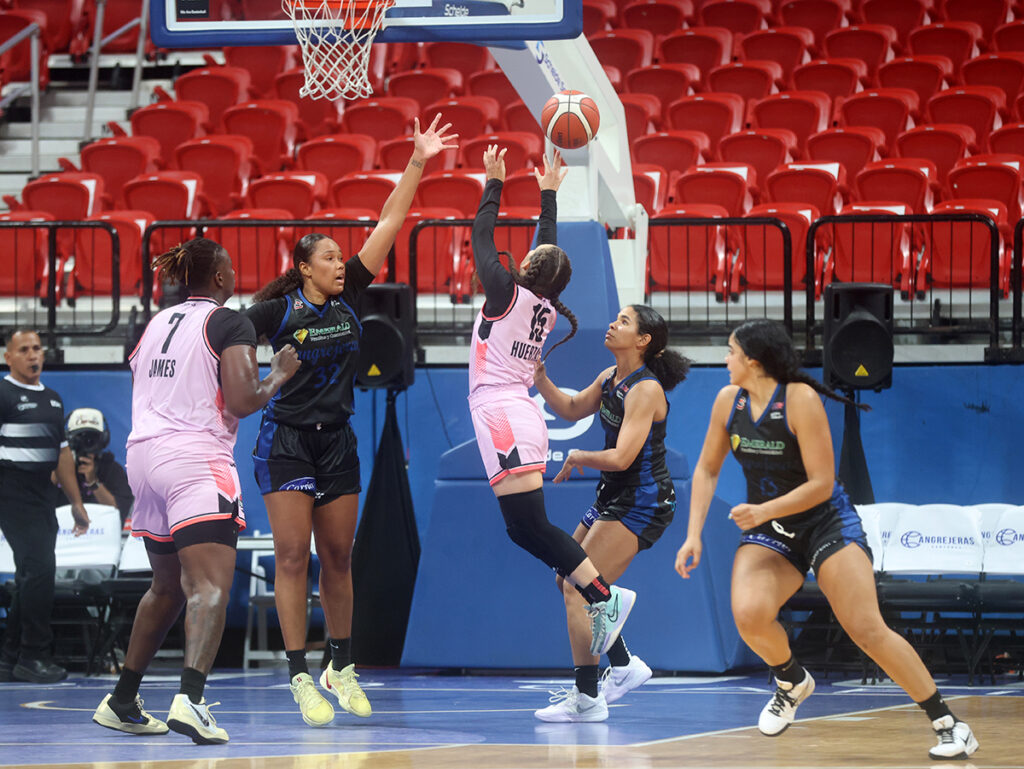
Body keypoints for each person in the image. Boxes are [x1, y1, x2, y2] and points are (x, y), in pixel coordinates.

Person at [674, 318, 979, 761]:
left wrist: (763, 511)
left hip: (825, 523)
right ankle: (791, 680)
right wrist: (693, 535)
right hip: (773, 529)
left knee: (866, 628)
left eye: (731, 352)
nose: (725, 360)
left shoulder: (799, 399)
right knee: (750, 615)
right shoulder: (728, 401)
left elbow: (820, 483)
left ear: (753, 362)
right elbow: (706, 469)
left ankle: (949, 724)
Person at [244, 114, 457, 728]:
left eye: (342, 256)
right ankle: (299, 676)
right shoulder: (273, 312)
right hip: (286, 441)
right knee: (293, 559)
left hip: (337, 441)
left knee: (339, 559)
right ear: (304, 268)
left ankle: (341, 666)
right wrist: (258, 379)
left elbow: (390, 222)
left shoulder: (351, 297)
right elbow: (221, 339)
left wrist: (418, 160)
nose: (342, 263)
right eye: (330, 257)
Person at [91, 237, 300, 744]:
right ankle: (191, 701)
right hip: (195, 459)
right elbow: (243, 400)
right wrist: (278, 374)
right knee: (208, 589)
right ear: (221, 277)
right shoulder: (229, 322)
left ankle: (121, 700)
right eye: (231, 268)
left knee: (166, 588)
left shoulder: (157, 322)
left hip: (144, 457)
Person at [468, 144, 636, 701]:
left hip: (503, 413)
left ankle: (604, 597)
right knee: (525, 527)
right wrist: (547, 194)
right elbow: (548, 250)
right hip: (518, 413)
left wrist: (494, 183)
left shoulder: (507, 291)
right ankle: (613, 635)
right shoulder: (538, 298)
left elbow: (482, 237)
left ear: (528, 269)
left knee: (530, 527)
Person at [531, 305, 691, 722]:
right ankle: (622, 664)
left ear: (643, 341)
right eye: (615, 318)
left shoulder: (646, 389)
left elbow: (622, 457)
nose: (612, 324)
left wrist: (578, 455)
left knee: (576, 588)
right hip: (614, 495)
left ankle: (588, 697)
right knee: (567, 578)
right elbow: (570, 408)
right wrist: (541, 379)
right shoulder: (609, 377)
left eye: (623, 322)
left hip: (643, 499)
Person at [0, 330, 90, 684]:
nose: (32, 355)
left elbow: (62, 454)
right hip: (11, 488)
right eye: (23, 349)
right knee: (40, 570)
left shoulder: (53, 399)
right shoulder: (3, 393)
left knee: (32, 573)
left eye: (36, 348)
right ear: (8, 357)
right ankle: (33, 655)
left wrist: (76, 502)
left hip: (42, 494)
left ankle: (10, 656)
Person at [55, 407, 134, 524]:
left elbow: (118, 514)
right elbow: (40, 503)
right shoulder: (58, 467)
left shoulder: (112, 470)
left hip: (102, 532)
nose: (86, 444)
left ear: (103, 440)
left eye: (92, 439)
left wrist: (93, 482)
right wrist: (62, 468)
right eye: (80, 438)